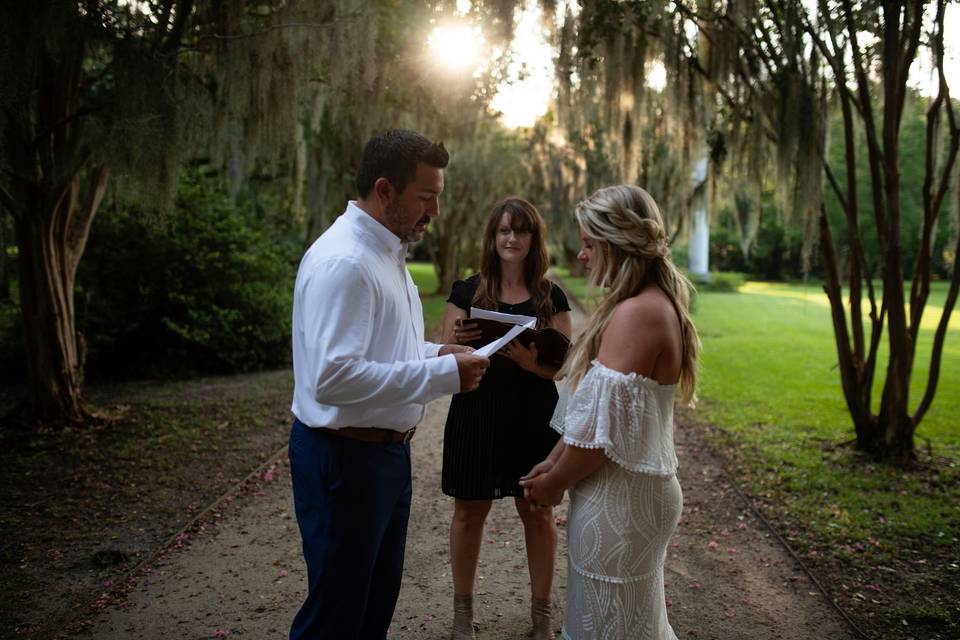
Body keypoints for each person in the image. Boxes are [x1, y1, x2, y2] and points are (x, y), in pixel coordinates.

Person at [288, 129, 490, 640]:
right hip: (346, 459)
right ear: (385, 190)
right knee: (336, 616)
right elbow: (333, 378)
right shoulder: (347, 263)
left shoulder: (386, 253)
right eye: (426, 197)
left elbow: (383, 351)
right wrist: (444, 374)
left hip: (382, 459)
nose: (435, 211)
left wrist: (437, 352)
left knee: (371, 608)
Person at [519, 184, 700, 640]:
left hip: (621, 500)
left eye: (588, 243)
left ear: (616, 244)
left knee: (608, 628)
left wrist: (553, 484)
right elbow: (594, 411)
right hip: (626, 492)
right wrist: (554, 460)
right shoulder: (641, 306)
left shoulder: (639, 313)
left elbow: (603, 435)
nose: (581, 255)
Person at [440, 197, 573, 640]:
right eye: (502, 231)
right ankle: (462, 616)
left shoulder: (550, 296)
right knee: (468, 512)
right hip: (477, 408)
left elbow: (562, 366)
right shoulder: (467, 292)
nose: (510, 238)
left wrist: (529, 363)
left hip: (533, 414)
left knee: (536, 512)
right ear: (492, 238)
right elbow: (445, 358)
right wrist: (458, 347)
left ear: (533, 239)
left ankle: (541, 617)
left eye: (520, 230)